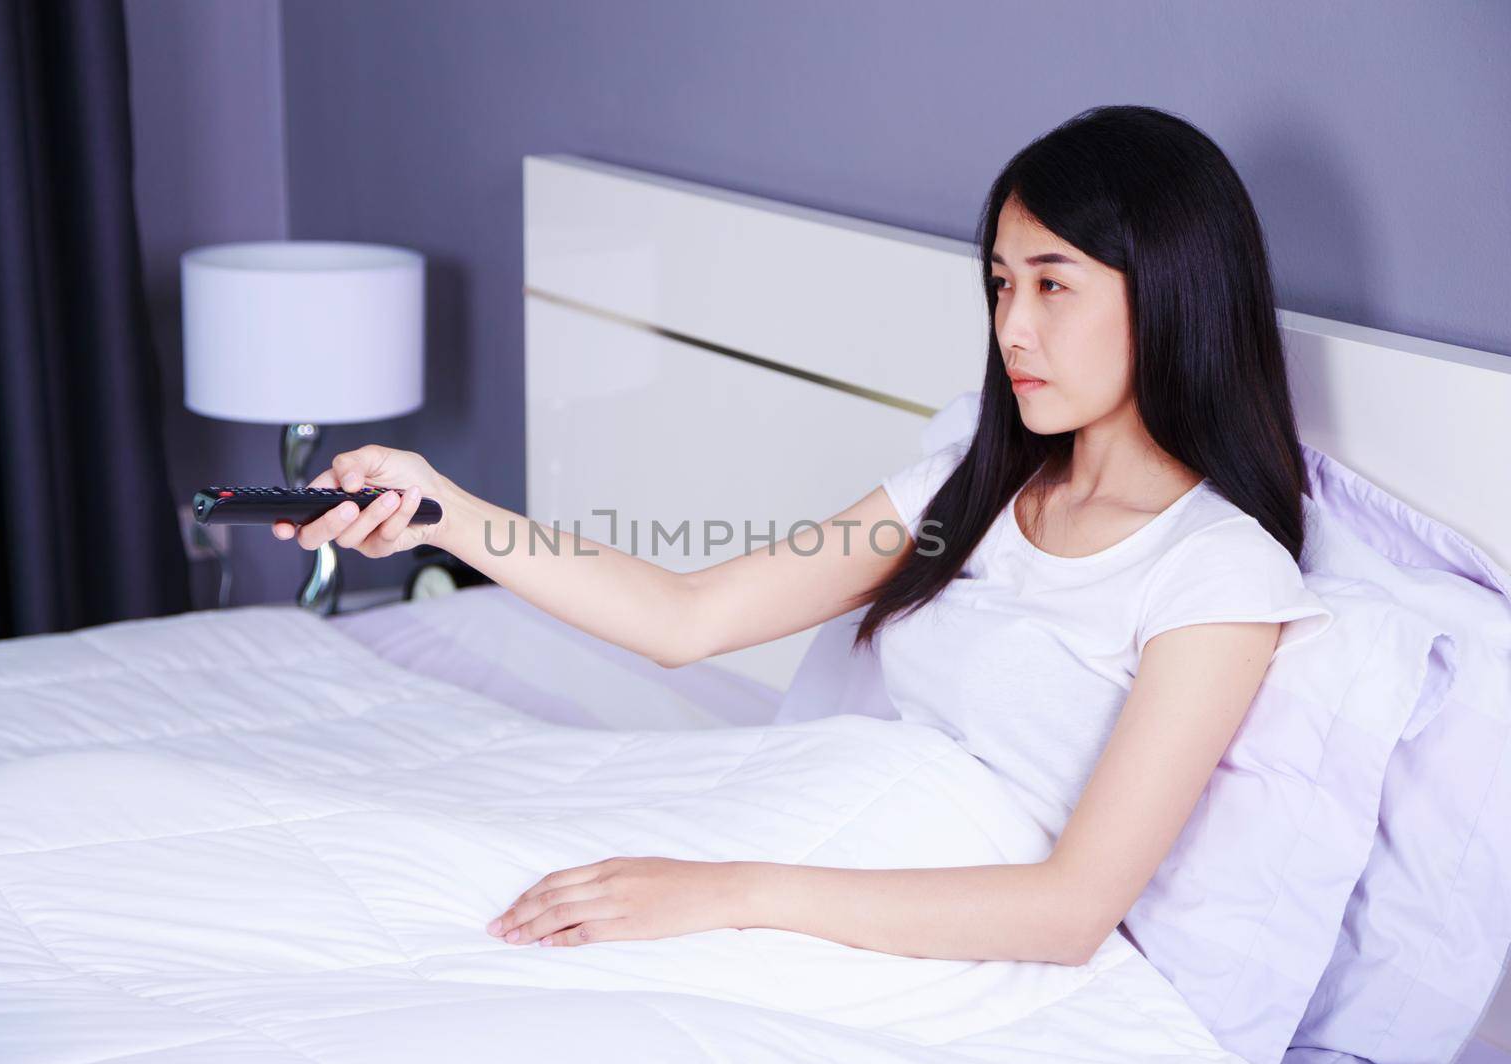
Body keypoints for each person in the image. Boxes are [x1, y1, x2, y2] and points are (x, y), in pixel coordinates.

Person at [271, 104, 1332, 964]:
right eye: (1002, 285)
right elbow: (686, 616)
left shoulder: (1215, 572)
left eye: (1053, 285)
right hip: (806, 850)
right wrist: (443, 509)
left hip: (929, 933)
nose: (1011, 326)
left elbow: (1068, 910)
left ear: (1174, 294)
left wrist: (728, 893)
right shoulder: (965, 494)